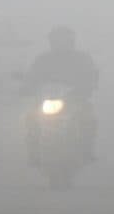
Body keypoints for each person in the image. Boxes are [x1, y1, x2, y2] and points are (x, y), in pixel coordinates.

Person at [22, 26, 99, 164]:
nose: (60, 44)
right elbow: (32, 76)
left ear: (71, 41)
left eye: (63, 40)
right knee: (31, 118)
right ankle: (33, 151)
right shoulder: (43, 59)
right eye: (57, 40)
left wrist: (86, 88)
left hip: (75, 99)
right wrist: (26, 88)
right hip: (47, 99)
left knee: (88, 117)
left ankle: (87, 149)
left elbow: (91, 75)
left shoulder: (82, 59)